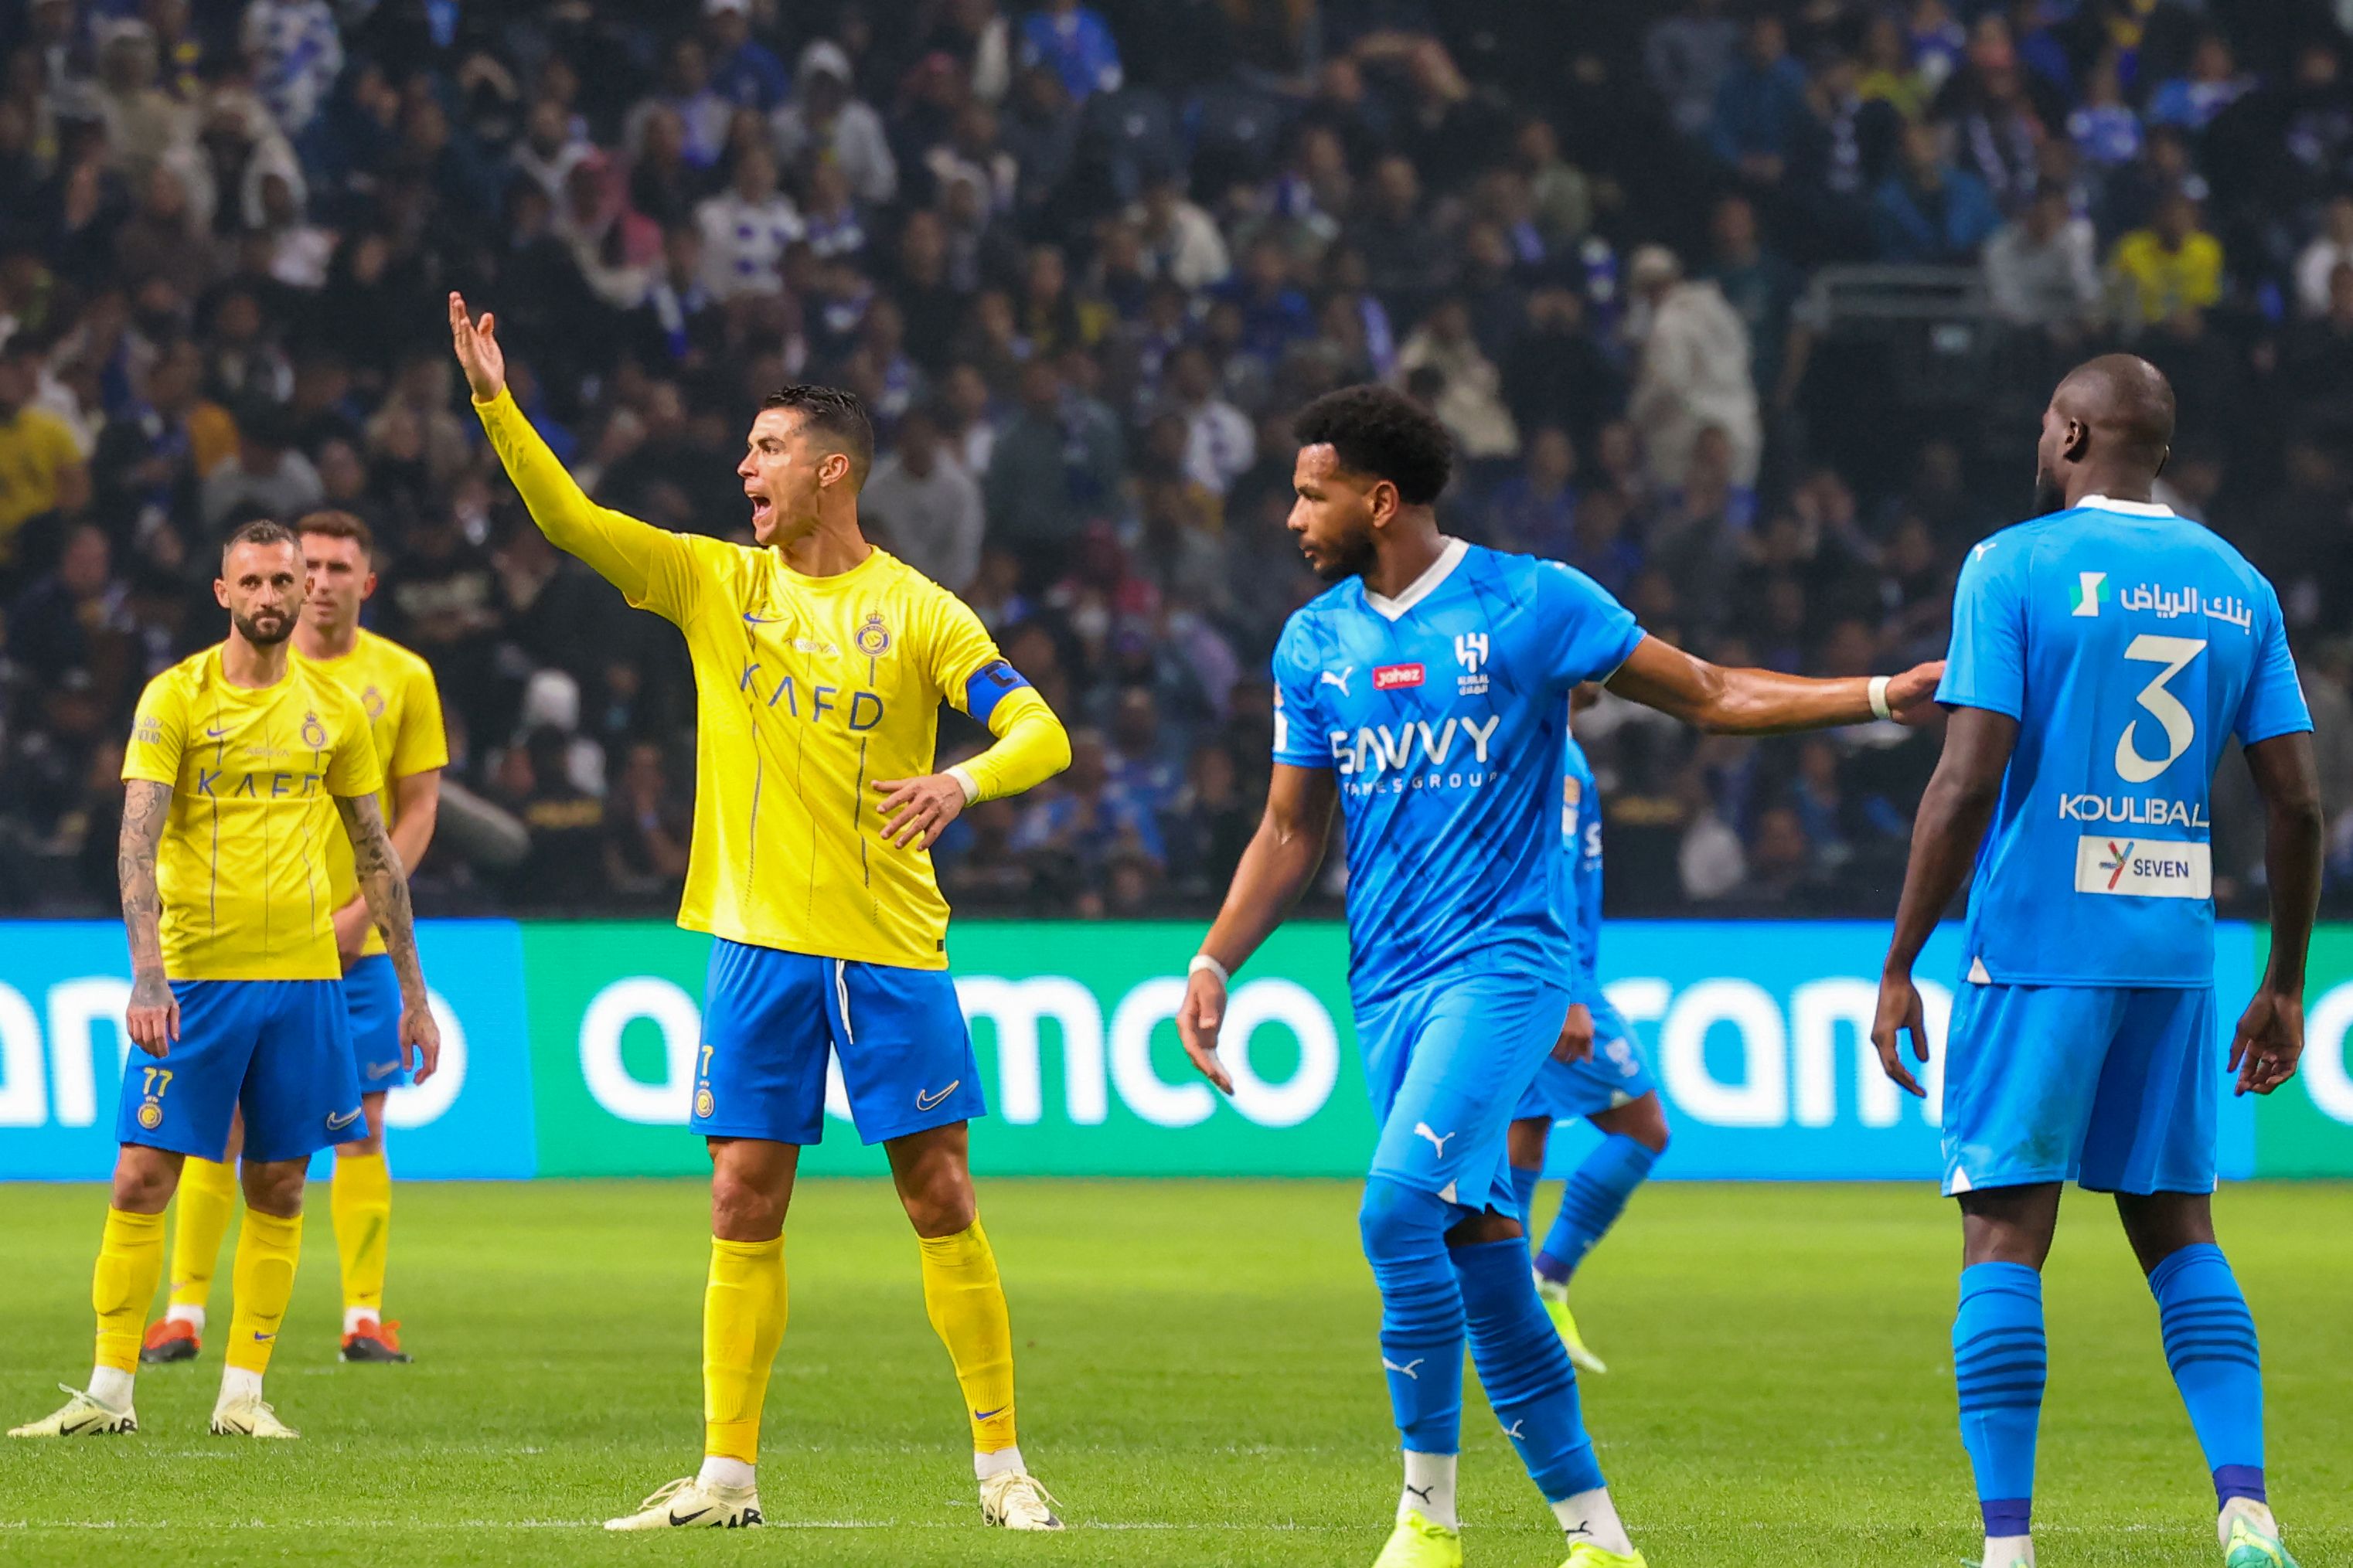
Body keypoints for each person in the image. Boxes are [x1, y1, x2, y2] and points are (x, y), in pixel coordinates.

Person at [1176, 385, 1941, 1568]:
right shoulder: (1311, 643)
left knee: (1395, 1211)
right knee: (1481, 1251)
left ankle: (1426, 1519)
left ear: (1379, 500)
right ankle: (1599, 1537)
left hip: (1511, 964)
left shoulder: (1531, 602)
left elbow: (1710, 695)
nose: (1290, 516)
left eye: (1308, 492)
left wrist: (1881, 696)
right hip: (1385, 983)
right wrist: (1218, 957)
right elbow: (1289, 830)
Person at [449, 293, 1072, 1532]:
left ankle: (1004, 1470)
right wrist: (493, 400)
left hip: (889, 945)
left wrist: (961, 777)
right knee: (742, 1195)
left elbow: (1040, 730)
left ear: (831, 470)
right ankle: (726, 1476)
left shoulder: (922, 610)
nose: (744, 468)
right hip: (752, 949)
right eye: (746, 451)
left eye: (766, 449)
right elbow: (568, 519)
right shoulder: (710, 583)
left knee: (939, 1192)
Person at [1871, 355, 2320, 1568]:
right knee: (2182, 1232)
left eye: (2042, 424)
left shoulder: (2010, 565)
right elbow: (2298, 806)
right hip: (2174, 955)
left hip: (2038, 951)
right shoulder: (2239, 583)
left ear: (2071, 433)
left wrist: (1902, 956)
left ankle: (2009, 1547)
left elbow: (1965, 780)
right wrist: (2283, 980)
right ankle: (2248, 1510)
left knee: (2005, 1237)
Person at [9, 519, 438, 1443]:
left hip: (305, 985)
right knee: (139, 1178)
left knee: (279, 1184)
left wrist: (412, 992)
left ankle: (242, 1394)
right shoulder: (176, 698)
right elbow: (135, 838)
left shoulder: (337, 709)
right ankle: (108, 1391)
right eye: (254, 583)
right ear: (223, 593)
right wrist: (147, 975)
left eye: (285, 582)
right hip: (198, 982)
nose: (274, 598)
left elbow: (377, 855)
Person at [138, 510, 447, 1369]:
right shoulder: (225, 684)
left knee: (362, 1128)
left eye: (333, 566)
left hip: (359, 942)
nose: (314, 581)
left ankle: (362, 1314)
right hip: (243, 940)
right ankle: (184, 1312)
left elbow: (411, 811)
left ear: (362, 581)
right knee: (222, 1126)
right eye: (298, 566)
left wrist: (362, 916)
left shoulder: (399, 678)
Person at [1506, 685, 1670, 1376]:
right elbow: (1550, 880)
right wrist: (1571, 990)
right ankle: (1540, 1285)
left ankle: (1508, 1306)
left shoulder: (1541, 746)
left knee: (1526, 1128)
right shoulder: (1556, 757)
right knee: (1644, 1126)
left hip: (1525, 969)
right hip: (1553, 975)